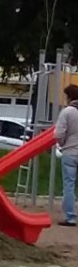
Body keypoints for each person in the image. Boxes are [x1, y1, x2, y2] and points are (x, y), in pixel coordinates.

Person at [54, 84, 78, 227]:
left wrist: (61, 144)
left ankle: (70, 217)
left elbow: (59, 133)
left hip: (70, 151)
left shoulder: (67, 112)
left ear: (69, 97)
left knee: (69, 184)